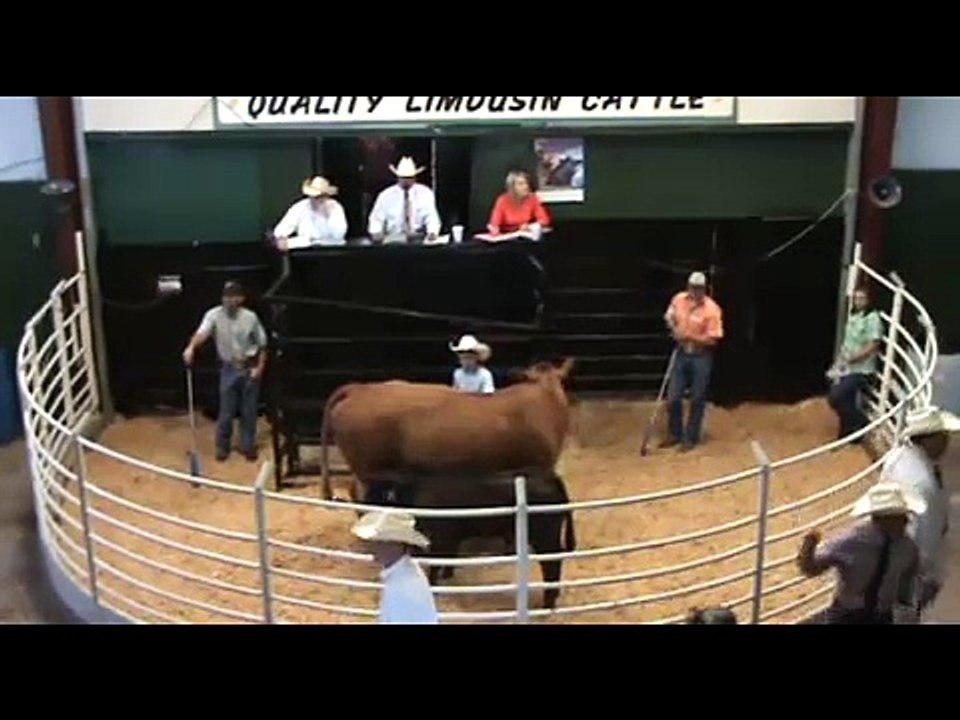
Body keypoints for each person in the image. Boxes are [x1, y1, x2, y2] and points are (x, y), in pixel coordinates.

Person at [797, 482, 925, 624]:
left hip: (881, 617)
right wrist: (808, 549)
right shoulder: (852, 541)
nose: (906, 521)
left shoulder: (908, 548)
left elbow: (907, 589)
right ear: (882, 519)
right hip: (847, 616)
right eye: (900, 517)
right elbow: (811, 568)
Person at [880, 406, 959, 610]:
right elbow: (926, 538)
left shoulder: (897, 457)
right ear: (928, 439)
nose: (947, 441)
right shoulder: (923, 484)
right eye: (942, 436)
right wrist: (930, 578)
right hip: (910, 573)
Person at [182, 281, 268, 462]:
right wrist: (191, 347)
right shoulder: (214, 315)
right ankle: (222, 446)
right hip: (228, 367)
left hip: (249, 365)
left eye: (233, 296)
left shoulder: (250, 317)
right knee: (226, 411)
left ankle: (247, 445)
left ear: (241, 298)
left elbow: (262, 345)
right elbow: (202, 333)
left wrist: (259, 368)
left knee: (249, 411)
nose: (229, 300)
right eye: (226, 296)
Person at [662, 272, 724, 451]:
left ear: (704, 289)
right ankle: (675, 433)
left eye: (698, 288)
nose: (694, 291)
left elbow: (713, 339)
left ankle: (691, 437)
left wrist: (691, 337)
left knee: (697, 397)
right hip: (681, 353)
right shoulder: (679, 299)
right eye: (692, 287)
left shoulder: (712, 309)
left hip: (701, 356)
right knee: (673, 396)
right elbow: (669, 316)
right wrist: (674, 329)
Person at [351, 510, 439, 624]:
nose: (372, 548)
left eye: (380, 542)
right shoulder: (407, 575)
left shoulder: (402, 589)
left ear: (396, 545)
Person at [827, 286, 882, 442]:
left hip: (862, 369)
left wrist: (853, 358)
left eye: (862, 298)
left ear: (868, 300)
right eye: (856, 298)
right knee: (844, 399)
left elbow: (873, 345)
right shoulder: (853, 316)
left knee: (835, 397)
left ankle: (861, 421)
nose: (858, 301)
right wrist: (839, 363)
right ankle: (847, 435)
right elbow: (846, 343)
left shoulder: (873, 318)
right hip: (847, 366)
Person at [367, 156, 441, 243]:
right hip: (392, 240)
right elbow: (376, 219)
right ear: (397, 177)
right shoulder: (385, 195)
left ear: (415, 178)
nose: (406, 181)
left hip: (417, 239)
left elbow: (432, 218)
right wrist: (376, 232)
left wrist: (432, 232)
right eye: (403, 177)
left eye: (409, 178)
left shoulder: (425, 193)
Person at [272, 176, 348, 250]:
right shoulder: (300, 207)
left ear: (326, 196)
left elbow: (339, 234)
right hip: (306, 252)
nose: (316, 200)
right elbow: (281, 230)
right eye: (313, 197)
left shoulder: (335, 207)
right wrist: (281, 238)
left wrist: (327, 216)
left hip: (332, 250)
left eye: (320, 197)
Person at [487, 170, 552, 237]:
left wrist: (530, 226)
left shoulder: (532, 198)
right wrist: (494, 229)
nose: (526, 187)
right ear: (512, 187)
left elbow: (544, 220)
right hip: (507, 235)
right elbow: (494, 223)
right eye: (521, 184)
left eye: (526, 183)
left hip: (524, 235)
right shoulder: (502, 200)